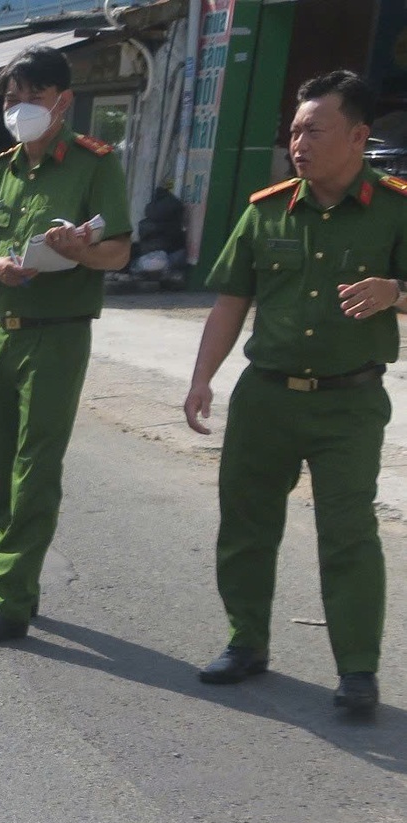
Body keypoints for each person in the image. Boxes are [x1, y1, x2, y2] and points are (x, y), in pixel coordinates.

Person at [184, 71, 406, 717]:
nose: (298, 142)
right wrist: (202, 379)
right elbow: (231, 301)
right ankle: (246, 642)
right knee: (247, 525)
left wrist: (396, 292)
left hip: (351, 403)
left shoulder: (395, 209)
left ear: (358, 136)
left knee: (349, 534)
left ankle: (358, 670)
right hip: (266, 399)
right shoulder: (265, 209)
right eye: (294, 131)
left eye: (314, 129)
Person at [0, 46, 131, 644]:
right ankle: (11, 579)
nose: (20, 107)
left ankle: (11, 600)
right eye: (11, 97)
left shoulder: (94, 165)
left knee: (34, 470)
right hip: (3, 335)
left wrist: (80, 251)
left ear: (63, 101)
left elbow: (118, 250)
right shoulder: (0, 169)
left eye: (32, 96)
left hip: (58, 336)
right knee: (3, 467)